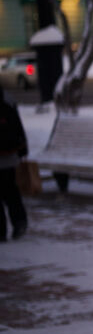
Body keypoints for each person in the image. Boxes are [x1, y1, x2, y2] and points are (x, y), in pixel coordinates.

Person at [0, 86, 29, 241]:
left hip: (6, 155)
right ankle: (19, 222)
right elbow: (17, 124)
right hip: (9, 154)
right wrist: (23, 147)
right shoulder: (7, 98)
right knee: (11, 191)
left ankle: (1, 232)